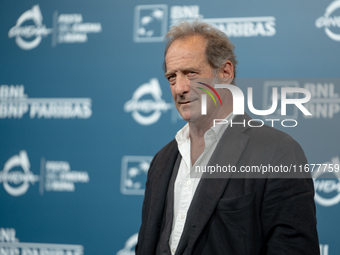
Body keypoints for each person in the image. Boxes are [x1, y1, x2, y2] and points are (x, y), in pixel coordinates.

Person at [136, 20, 319, 255]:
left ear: (225, 72)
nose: (179, 88)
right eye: (172, 77)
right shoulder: (162, 160)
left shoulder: (277, 151)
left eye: (191, 73)